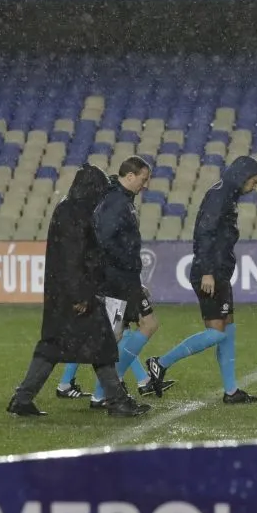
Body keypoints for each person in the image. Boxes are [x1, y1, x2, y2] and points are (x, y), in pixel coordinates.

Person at [6, 163, 151, 418]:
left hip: (61, 294)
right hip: (76, 295)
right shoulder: (77, 214)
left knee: (51, 347)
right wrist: (81, 295)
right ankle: (116, 401)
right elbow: (74, 259)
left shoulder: (67, 210)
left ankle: (22, 398)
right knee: (102, 346)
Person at [145, 156, 257, 404]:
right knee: (217, 333)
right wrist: (208, 271)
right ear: (243, 176)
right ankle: (160, 362)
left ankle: (231, 392)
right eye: (254, 181)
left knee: (228, 330)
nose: (255, 186)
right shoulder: (219, 196)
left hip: (220, 271)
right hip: (209, 273)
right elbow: (204, 233)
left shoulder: (227, 195)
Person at [87, 155, 176, 408]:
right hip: (116, 280)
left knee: (137, 328)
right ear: (130, 176)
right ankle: (105, 391)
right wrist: (125, 269)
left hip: (126, 278)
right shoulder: (115, 202)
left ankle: (102, 393)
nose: (145, 185)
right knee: (118, 336)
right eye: (143, 179)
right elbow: (103, 241)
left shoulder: (123, 200)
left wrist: (134, 276)